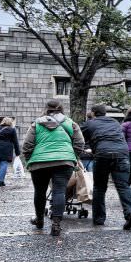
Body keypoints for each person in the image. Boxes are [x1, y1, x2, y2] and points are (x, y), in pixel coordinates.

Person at [22, 100, 85, 236]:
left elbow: (27, 145)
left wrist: (29, 160)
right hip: (65, 161)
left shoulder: (37, 124)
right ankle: (56, 224)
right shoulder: (70, 123)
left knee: (39, 192)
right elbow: (80, 142)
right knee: (59, 191)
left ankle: (39, 220)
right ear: (61, 109)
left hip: (39, 163)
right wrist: (73, 157)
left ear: (46, 109)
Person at [81, 104, 131, 230]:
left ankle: (99, 218)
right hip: (122, 154)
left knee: (99, 187)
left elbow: (78, 137)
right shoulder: (115, 122)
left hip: (103, 154)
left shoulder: (90, 123)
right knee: (123, 186)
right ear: (105, 113)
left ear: (93, 113)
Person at [0, 117, 21, 186]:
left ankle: (0, 177)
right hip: (6, 148)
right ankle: (0, 180)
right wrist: (18, 152)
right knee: (4, 163)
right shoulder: (12, 130)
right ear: (10, 122)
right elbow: (15, 141)